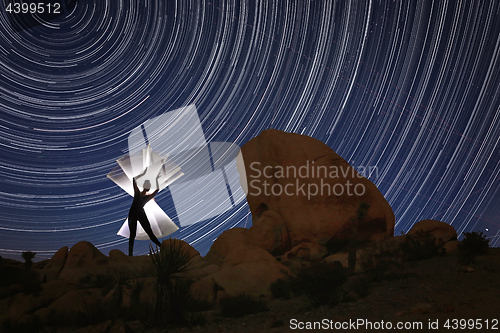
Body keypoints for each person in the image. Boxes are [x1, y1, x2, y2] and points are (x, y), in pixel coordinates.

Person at [128, 168, 163, 256]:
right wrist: (143, 173)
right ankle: (130, 255)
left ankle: (162, 247)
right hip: (133, 215)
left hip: (140, 215)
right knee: (132, 235)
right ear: (144, 185)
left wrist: (156, 179)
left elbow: (157, 189)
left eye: (149, 185)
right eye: (147, 184)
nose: (148, 186)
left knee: (149, 232)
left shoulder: (147, 197)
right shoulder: (137, 192)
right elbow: (134, 179)